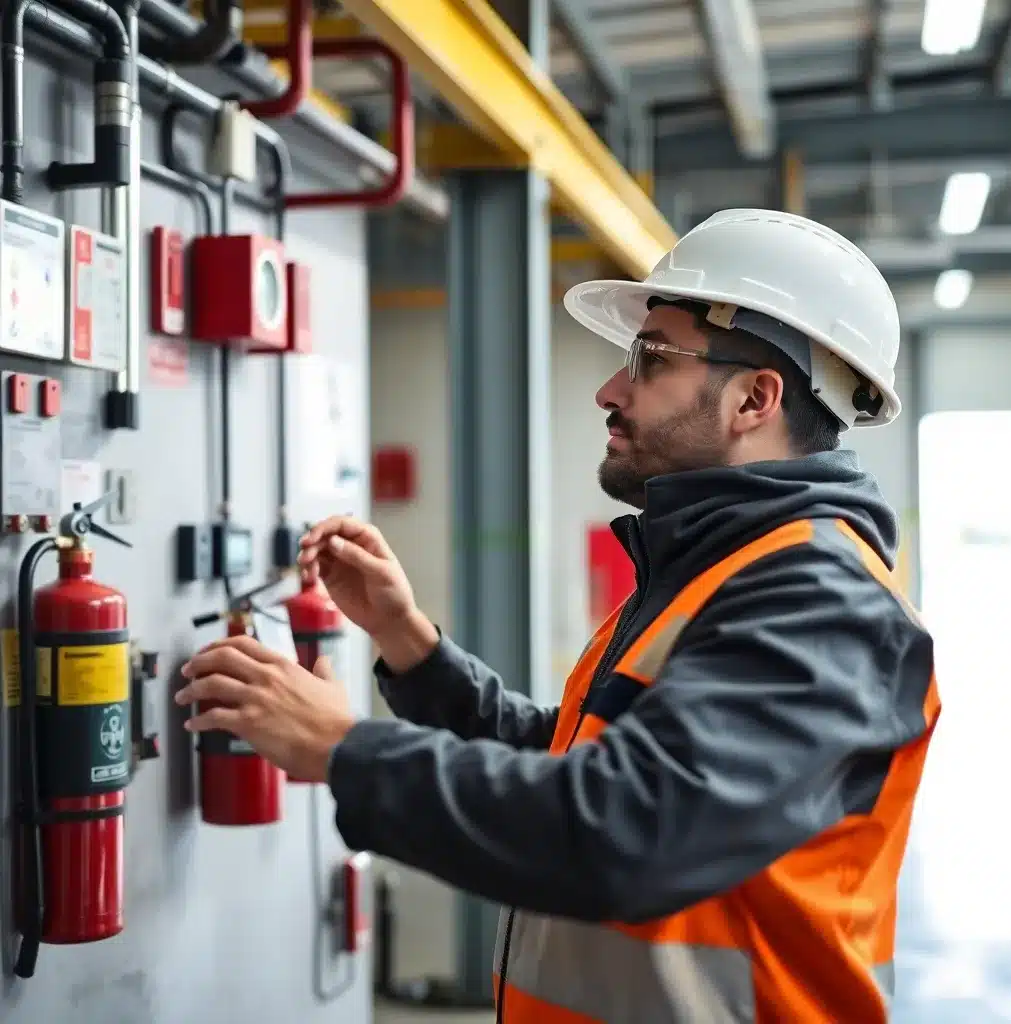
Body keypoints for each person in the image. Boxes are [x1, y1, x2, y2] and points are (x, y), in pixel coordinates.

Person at [175, 210, 941, 1023]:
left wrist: (342, 747)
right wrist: (410, 644)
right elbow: (569, 760)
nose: (610, 390)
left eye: (651, 359)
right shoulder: (711, 569)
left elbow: (623, 828)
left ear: (755, 398)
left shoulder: (820, 600)